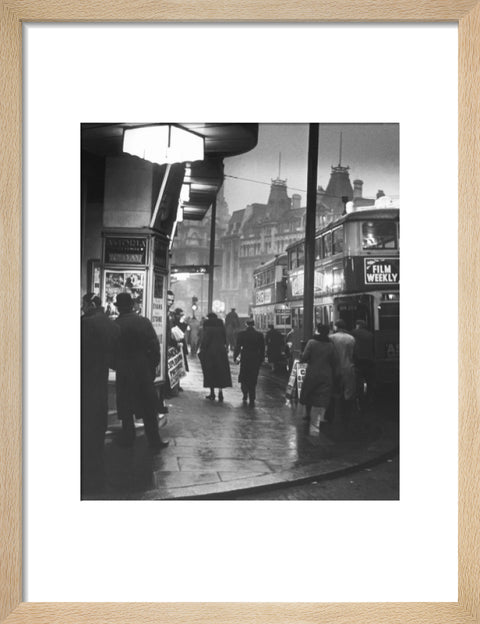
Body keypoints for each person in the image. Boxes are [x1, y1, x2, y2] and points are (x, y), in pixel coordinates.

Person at [114, 292, 168, 451]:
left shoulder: (116, 325)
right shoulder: (143, 322)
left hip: (124, 370)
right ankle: (154, 440)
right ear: (132, 306)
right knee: (148, 408)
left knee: (126, 406)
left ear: (119, 309)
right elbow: (154, 346)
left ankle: (128, 437)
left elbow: (111, 351)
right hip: (143, 370)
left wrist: (118, 365)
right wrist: (151, 368)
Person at [81, 293, 119, 496]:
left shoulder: (86, 324)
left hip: (85, 375)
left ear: (90, 304)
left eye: (83, 304)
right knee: (98, 412)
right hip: (101, 375)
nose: (82, 308)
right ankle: (95, 451)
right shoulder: (111, 324)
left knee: (86, 413)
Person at [299, 323, 337, 432]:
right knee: (324, 394)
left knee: (309, 391)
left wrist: (303, 359)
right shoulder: (330, 344)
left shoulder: (312, 342)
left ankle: (307, 414)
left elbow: (305, 357)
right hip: (326, 373)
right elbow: (334, 360)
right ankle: (322, 416)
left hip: (312, 371)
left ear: (318, 331)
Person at [198, 312, 232, 401]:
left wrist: (201, 349)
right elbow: (225, 339)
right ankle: (220, 393)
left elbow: (205, 340)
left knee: (210, 372)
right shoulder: (221, 325)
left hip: (210, 352)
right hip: (221, 352)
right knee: (221, 372)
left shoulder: (207, 325)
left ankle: (212, 393)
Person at [329, 318, 356, 430]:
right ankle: (347, 414)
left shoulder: (331, 338)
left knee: (334, 390)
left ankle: (333, 414)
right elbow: (354, 354)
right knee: (348, 392)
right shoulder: (351, 338)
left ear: (336, 327)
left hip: (334, 367)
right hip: (348, 366)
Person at [233, 318, 265, 407]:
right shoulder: (259, 335)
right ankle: (252, 396)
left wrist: (235, 357)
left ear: (246, 324)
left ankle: (245, 393)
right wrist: (261, 359)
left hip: (245, 357)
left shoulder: (242, 334)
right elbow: (262, 349)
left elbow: (238, 347)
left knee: (244, 376)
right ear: (254, 325)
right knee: (253, 377)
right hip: (255, 358)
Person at [352, 319, 375, 407]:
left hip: (358, 360)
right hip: (369, 360)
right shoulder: (370, 334)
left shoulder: (354, 333)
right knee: (370, 381)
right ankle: (369, 399)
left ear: (358, 325)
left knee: (359, 381)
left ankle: (360, 399)